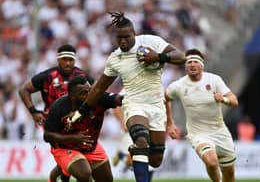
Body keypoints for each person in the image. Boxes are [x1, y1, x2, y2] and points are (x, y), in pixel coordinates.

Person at [67, 12, 184, 182]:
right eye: (119, 38)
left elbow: (181, 57)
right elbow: (99, 87)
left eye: (126, 37)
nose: (122, 41)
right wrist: (81, 111)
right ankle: (137, 148)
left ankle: (133, 151)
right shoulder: (115, 58)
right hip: (134, 105)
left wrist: (158, 57)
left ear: (134, 34)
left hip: (156, 105)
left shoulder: (151, 42)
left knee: (156, 160)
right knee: (142, 140)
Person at [18, 44, 94, 182]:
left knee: (76, 155)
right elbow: (24, 89)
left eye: (71, 60)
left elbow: (96, 94)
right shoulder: (47, 76)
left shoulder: (83, 77)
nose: (68, 63)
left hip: (79, 122)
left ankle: (55, 178)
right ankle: (59, 177)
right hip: (54, 124)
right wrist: (33, 111)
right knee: (68, 154)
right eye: (64, 59)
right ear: (58, 60)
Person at [165, 49, 238, 182]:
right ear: (186, 66)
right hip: (198, 134)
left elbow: (234, 101)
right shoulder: (179, 85)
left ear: (202, 65)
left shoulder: (214, 80)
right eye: (189, 62)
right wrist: (170, 123)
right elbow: (165, 98)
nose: (192, 64)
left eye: (195, 62)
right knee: (211, 162)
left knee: (229, 176)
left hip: (220, 131)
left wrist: (223, 99)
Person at [43, 76, 123, 182]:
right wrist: (73, 138)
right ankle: (63, 168)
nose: (88, 96)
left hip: (91, 147)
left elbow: (117, 99)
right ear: (72, 96)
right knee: (84, 174)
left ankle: (62, 170)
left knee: (107, 180)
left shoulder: (98, 98)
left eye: (89, 91)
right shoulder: (59, 107)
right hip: (65, 148)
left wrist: (128, 98)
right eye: (83, 93)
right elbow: (47, 136)